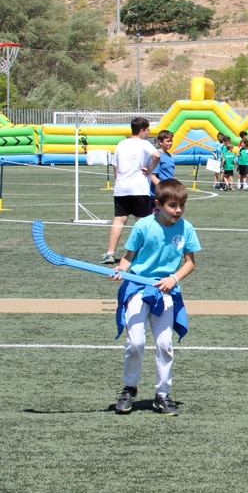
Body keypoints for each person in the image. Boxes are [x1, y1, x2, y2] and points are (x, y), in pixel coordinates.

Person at [110, 178, 200, 417]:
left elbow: (190, 263)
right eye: (172, 205)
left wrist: (174, 278)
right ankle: (129, 388)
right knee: (136, 342)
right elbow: (128, 257)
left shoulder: (186, 228)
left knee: (164, 345)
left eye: (181, 205)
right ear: (158, 205)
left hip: (165, 291)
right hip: (138, 287)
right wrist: (121, 269)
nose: (178, 210)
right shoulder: (143, 226)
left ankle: (162, 394)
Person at [103, 117, 160, 265]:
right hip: (139, 187)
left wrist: (119, 180)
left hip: (121, 187)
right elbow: (157, 155)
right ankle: (140, 253)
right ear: (141, 130)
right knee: (142, 221)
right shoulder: (144, 144)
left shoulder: (122, 144)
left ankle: (110, 253)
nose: (148, 132)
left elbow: (115, 165)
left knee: (119, 219)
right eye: (147, 130)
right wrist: (150, 169)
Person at [150, 130, 175, 201]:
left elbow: (170, 174)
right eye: (168, 141)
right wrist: (163, 189)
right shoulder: (157, 155)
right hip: (159, 195)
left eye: (171, 141)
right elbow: (152, 176)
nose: (171, 143)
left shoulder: (169, 156)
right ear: (160, 142)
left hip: (169, 192)